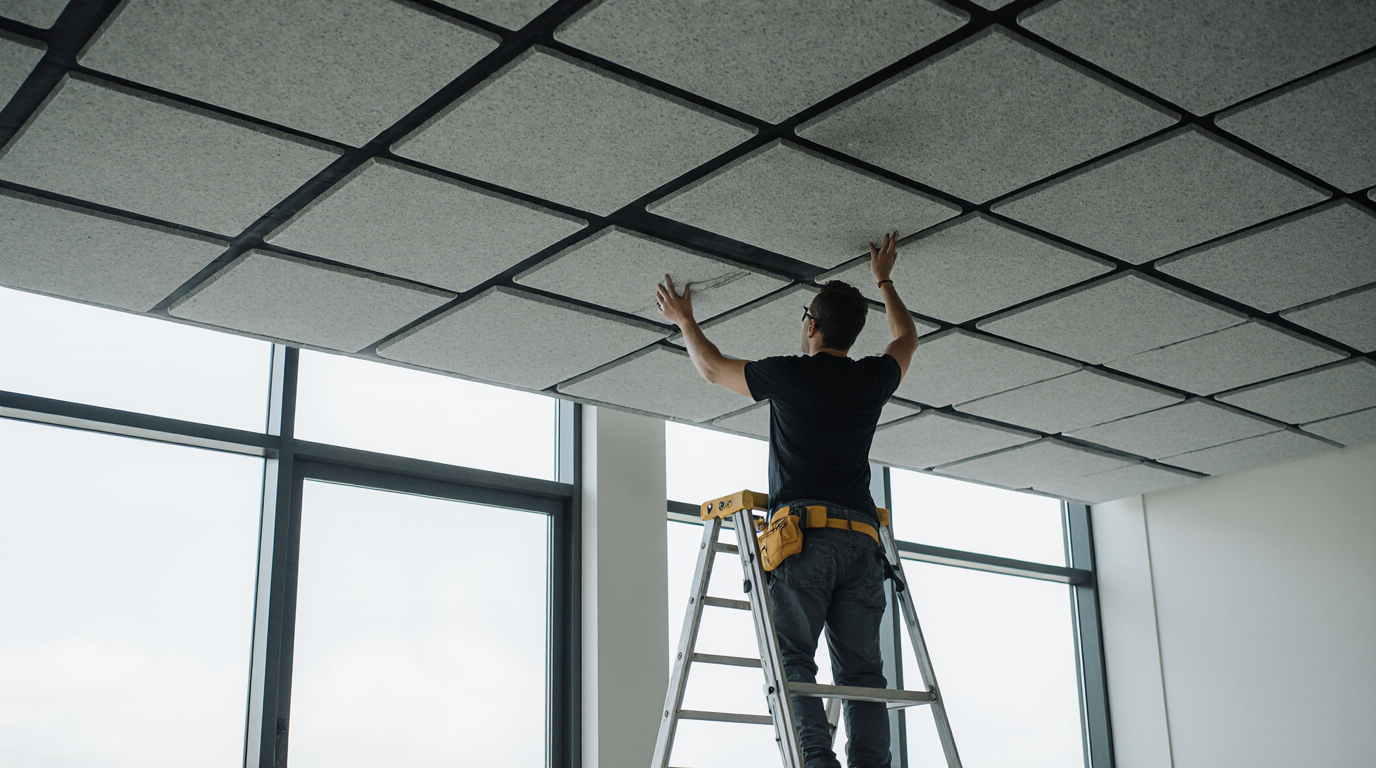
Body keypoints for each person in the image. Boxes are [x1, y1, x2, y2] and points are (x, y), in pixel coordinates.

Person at [654, 231, 919, 768]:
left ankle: (816, 763)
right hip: (863, 544)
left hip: (806, 540)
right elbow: (908, 337)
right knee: (864, 674)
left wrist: (685, 321)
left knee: (793, 660)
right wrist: (885, 280)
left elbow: (711, 368)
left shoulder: (790, 373)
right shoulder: (871, 378)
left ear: (812, 326)